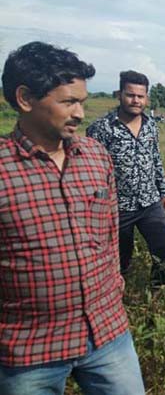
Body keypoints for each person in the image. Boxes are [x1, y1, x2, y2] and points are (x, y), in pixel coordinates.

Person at [0, 41, 145, 394]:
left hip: (107, 333)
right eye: (68, 102)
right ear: (24, 98)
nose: (80, 113)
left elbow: (111, 234)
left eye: (82, 101)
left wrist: (113, 285)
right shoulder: (3, 170)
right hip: (29, 350)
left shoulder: (96, 157)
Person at [87, 70, 165, 289]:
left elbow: (156, 159)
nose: (136, 100)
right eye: (130, 95)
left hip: (149, 202)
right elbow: (92, 169)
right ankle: (118, 297)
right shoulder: (101, 128)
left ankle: (158, 293)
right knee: (120, 260)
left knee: (164, 249)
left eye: (140, 96)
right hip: (117, 206)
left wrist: (163, 193)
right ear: (119, 94)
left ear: (146, 98)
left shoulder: (150, 125)